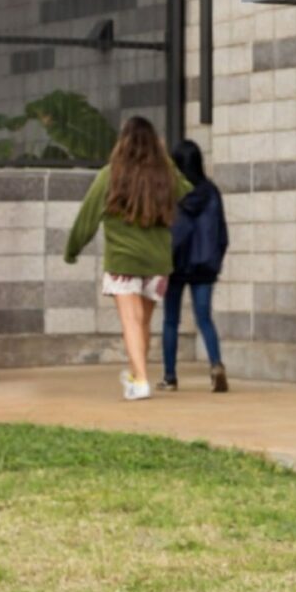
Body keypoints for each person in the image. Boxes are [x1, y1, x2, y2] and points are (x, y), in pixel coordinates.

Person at [62, 115, 189, 401]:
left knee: (131, 322)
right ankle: (135, 377)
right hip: (157, 263)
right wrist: (165, 161)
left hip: (123, 262)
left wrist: (72, 250)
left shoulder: (111, 174)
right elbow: (185, 190)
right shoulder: (164, 174)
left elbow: (87, 216)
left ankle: (141, 380)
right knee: (142, 323)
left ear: (123, 142)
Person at [166, 139, 230, 393]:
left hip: (175, 264)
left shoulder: (173, 194)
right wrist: (216, 259)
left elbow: (170, 231)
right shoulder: (212, 192)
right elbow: (221, 233)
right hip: (205, 266)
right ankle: (216, 365)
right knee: (204, 318)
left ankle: (170, 377)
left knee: (171, 320)